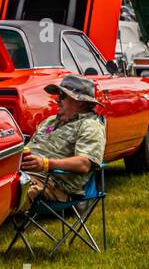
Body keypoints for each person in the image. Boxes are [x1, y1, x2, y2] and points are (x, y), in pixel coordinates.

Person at [16, 74, 106, 211]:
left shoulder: (89, 125)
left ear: (80, 101)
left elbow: (84, 164)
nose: (57, 99)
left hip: (53, 184)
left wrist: (45, 164)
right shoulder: (51, 121)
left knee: (7, 193)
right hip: (21, 173)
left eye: (62, 96)